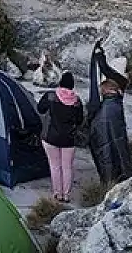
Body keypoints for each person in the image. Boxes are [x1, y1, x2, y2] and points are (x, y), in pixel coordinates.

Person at [87, 40, 132, 185]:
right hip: (112, 112)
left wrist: (99, 55)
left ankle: (110, 177)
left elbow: (105, 69)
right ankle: (117, 174)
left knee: (108, 146)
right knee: (115, 144)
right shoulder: (120, 82)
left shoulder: (120, 79)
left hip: (110, 112)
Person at [37, 72, 85, 202]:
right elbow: (80, 120)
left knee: (54, 166)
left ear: (60, 82)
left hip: (50, 137)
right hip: (69, 139)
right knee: (67, 167)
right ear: (72, 86)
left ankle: (57, 193)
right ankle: (66, 195)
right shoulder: (77, 101)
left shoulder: (50, 96)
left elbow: (40, 109)